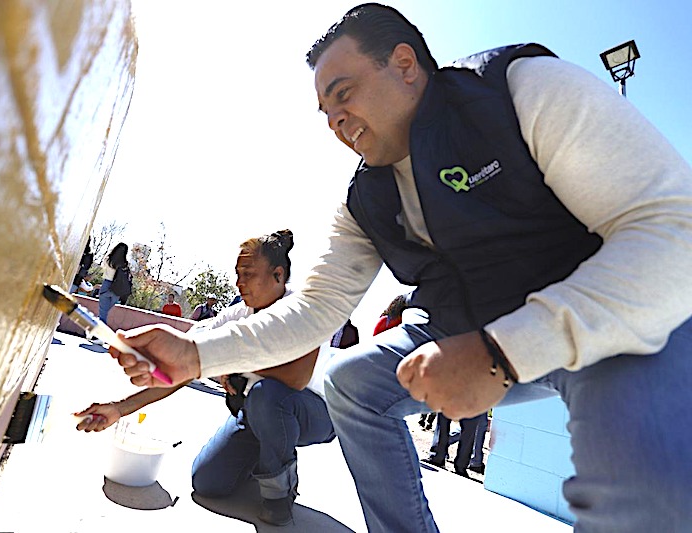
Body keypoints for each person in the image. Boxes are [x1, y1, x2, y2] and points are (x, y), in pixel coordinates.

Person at [111, 4, 692, 532]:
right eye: (326, 110)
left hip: (605, 323)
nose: (336, 121)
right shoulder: (363, 200)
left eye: (345, 93)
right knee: (351, 382)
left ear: (406, 65)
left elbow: (673, 235)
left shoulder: (522, 91)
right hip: (468, 333)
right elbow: (315, 309)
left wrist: (502, 350)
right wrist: (196, 354)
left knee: (640, 500)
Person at [77, 229, 336, 526]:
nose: (240, 283)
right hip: (255, 413)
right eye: (238, 274)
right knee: (208, 483)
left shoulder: (301, 312)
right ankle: (264, 458)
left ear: (278, 275)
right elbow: (181, 370)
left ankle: (280, 492)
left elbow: (295, 375)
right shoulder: (235, 316)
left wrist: (227, 363)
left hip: (313, 412)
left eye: (249, 274)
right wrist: (119, 409)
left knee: (267, 393)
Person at [97, 242, 128, 327]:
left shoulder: (108, 259)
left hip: (106, 284)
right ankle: (94, 332)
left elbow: (104, 267)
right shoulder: (125, 264)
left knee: (103, 312)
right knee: (104, 312)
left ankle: (98, 335)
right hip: (117, 288)